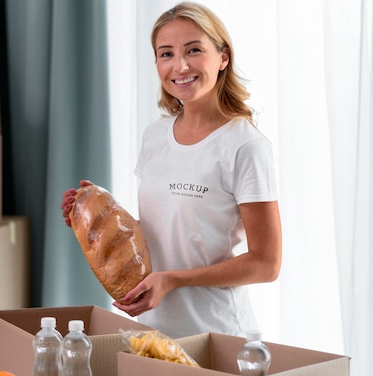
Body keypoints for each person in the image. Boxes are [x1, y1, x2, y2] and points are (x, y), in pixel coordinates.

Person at [60, 2, 282, 338]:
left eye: (193, 50)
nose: (179, 66)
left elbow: (266, 264)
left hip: (218, 335)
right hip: (153, 330)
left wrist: (175, 279)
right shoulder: (155, 136)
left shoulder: (244, 145)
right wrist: (95, 216)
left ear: (223, 58)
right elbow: (162, 230)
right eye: (166, 54)